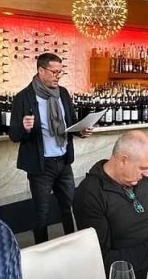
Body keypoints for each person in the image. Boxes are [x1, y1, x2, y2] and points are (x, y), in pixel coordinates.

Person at [73, 130, 148, 279]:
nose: (147, 174)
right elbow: (101, 262)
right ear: (123, 160)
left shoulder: (144, 182)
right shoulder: (90, 194)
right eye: (142, 168)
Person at [9, 53, 92, 244]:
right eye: (54, 72)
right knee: (41, 214)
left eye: (60, 72)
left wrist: (81, 131)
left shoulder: (63, 93)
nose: (58, 76)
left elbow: (70, 123)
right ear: (41, 70)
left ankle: (74, 243)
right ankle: (42, 250)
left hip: (63, 162)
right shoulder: (23, 97)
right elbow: (14, 135)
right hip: (40, 167)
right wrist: (24, 127)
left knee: (69, 207)